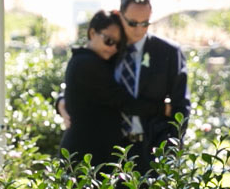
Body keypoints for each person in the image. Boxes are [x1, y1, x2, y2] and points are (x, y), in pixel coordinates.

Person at [60, 10, 164, 165]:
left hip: (94, 153)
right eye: (109, 41)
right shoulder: (86, 63)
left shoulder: (95, 61)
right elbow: (123, 102)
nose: (113, 48)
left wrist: (60, 101)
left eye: (119, 45)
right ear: (92, 33)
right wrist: (164, 108)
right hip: (84, 155)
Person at [114, 0, 189, 173]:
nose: (139, 29)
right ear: (120, 16)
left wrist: (170, 149)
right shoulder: (108, 48)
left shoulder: (168, 52)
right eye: (133, 23)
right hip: (110, 149)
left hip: (152, 151)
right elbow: (81, 80)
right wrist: (61, 102)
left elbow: (181, 105)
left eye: (145, 23)